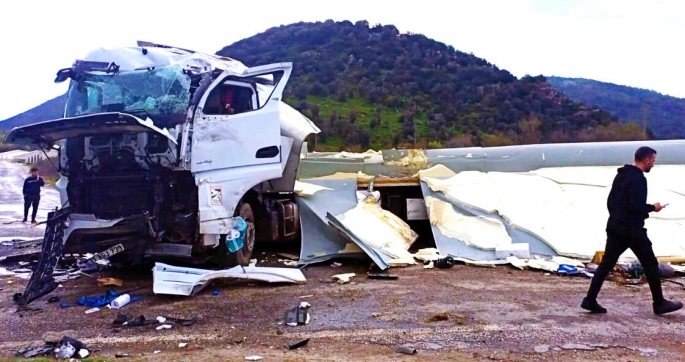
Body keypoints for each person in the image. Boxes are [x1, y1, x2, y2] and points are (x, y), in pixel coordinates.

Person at [581, 146, 683, 315]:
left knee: (606, 263)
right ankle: (659, 303)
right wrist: (653, 207)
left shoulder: (621, 176)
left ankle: (589, 299)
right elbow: (635, 207)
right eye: (653, 161)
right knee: (650, 263)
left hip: (615, 226)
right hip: (632, 230)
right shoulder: (639, 179)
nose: (653, 164)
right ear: (647, 160)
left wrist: (617, 218)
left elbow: (611, 203)